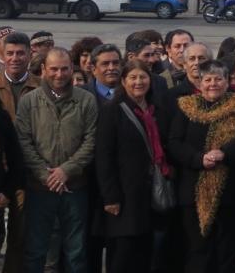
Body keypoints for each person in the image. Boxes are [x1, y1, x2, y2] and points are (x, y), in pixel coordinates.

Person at [166, 59, 235, 273]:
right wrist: (198, 159)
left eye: (218, 79)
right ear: (199, 83)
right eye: (208, 79)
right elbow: (174, 143)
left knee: (227, 251)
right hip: (193, 193)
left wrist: (225, 153)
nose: (213, 84)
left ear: (227, 82)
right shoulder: (186, 107)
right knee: (198, 250)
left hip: (229, 193)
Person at [13, 49, 99, 273]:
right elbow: (23, 142)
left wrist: (66, 171)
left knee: (76, 252)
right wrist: (46, 174)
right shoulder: (29, 101)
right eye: (53, 69)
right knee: (36, 249)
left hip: (75, 187)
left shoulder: (86, 100)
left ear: (72, 69)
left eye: (64, 68)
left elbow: (91, 141)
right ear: (43, 70)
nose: (59, 74)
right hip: (40, 188)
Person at [93, 62, 167, 273]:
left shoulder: (156, 110)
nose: (138, 82)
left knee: (145, 253)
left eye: (143, 77)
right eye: (133, 78)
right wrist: (110, 197)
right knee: (123, 255)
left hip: (149, 193)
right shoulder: (112, 110)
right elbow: (104, 156)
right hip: (123, 197)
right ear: (123, 82)